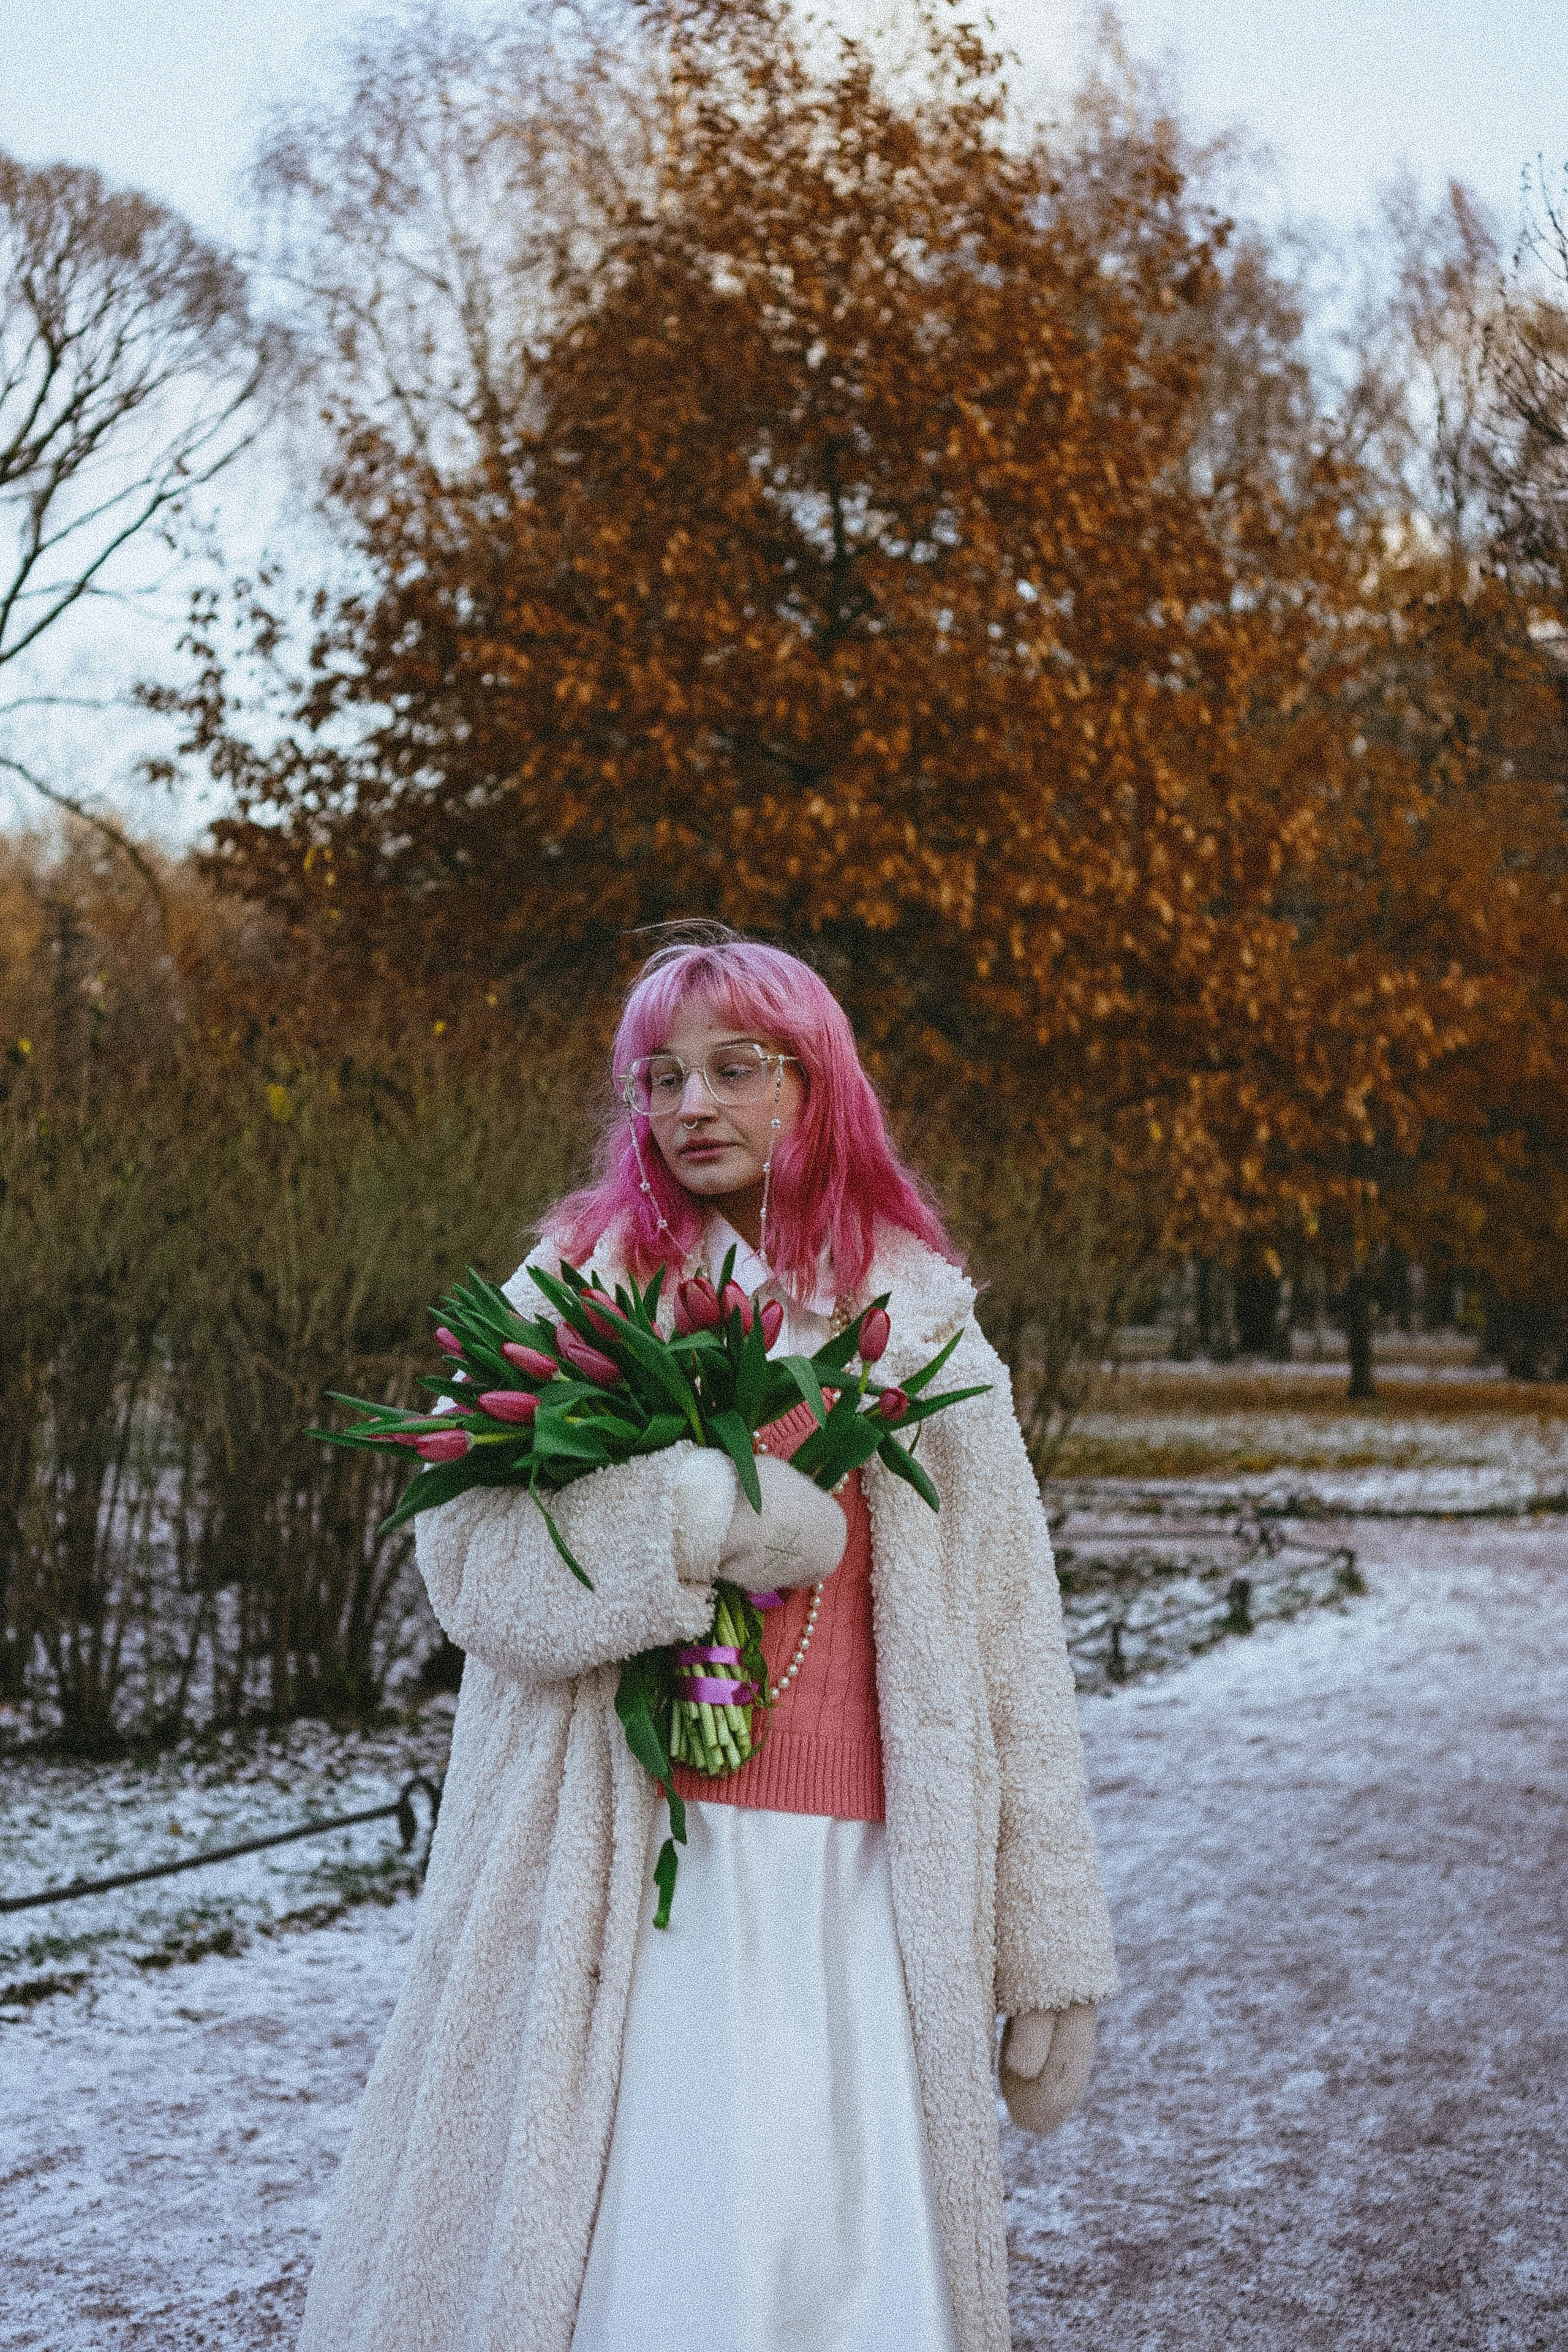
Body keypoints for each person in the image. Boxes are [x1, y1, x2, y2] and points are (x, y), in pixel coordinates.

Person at [297, 934, 1117, 2352]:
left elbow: (1008, 1649)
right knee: (655, 2234)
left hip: (861, 1871)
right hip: (627, 1868)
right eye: (661, 1076)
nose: (692, 1105)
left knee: (840, 2234)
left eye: (738, 1068)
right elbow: (471, 1565)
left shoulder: (923, 1329)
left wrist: (1046, 1941)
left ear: (820, 1087)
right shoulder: (570, 1294)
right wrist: (688, 1518)